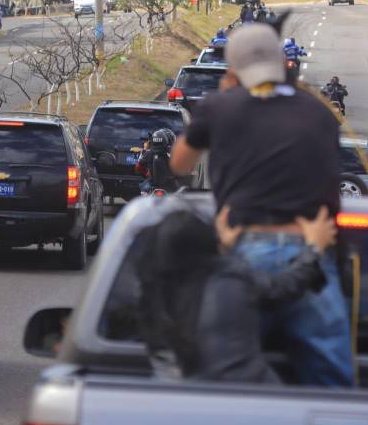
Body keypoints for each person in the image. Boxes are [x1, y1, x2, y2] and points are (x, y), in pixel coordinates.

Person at [169, 23, 352, 387]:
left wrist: (222, 102)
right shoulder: (318, 113)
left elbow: (180, 164)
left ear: (233, 70)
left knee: (221, 372)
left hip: (242, 249)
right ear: (285, 63)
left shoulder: (219, 106)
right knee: (332, 380)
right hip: (309, 248)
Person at [134, 204, 333, 382]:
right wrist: (313, 249)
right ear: (207, 244)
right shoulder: (231, 280)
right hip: (250, 396)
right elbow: (285, 286)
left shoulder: (149, 297)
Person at [135, 129, 177, 194]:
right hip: (169, 187)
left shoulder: (148, 153)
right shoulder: (174, 154)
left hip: (152, 186)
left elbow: (138, 167)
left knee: (143, 191)